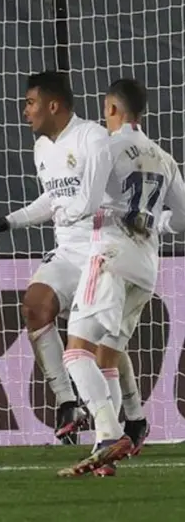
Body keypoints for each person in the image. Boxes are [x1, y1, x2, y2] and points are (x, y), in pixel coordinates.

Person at [0, 71, 132, 443]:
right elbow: (53, 199)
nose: (25, 112)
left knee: (101, 346)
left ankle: (127, 422)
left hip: (101, 250)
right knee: (34, 306)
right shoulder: (42, 148)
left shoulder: (92, 137)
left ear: (53, 105)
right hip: (67, 252)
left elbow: (89, 198)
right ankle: (66, 403)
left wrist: (74, 212)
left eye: (30, 103)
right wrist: (10, 221)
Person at [57, 78, 185, 477]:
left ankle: (109, 432)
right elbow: (182, 218)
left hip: (109, 256)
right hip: (146, 268)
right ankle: (103, 450)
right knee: (107, 354)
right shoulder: (164, 157)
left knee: (76, 350)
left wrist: (65, 209)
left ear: (112, 109)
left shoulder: (106, 146)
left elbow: (89, 200)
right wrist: (155, 220)